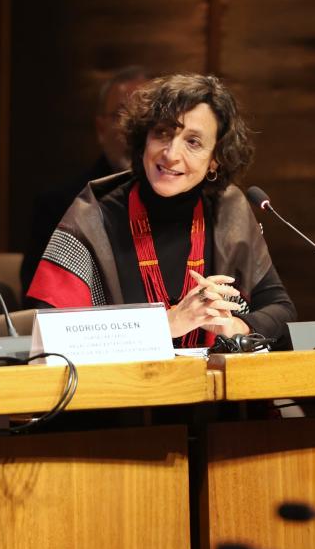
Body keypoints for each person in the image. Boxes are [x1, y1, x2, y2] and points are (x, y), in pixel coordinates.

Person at [26, 73, 296, 346]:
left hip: (211, 384)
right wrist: (166, 324)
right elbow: (50, 333)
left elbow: (282, 312)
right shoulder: (91, 216)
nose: (171, 154)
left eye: (193, 142)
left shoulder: (229, 211)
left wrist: (237, 326)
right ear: (144, 140)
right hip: (119, 386)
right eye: (162, 133)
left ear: (215, 159)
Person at [20, 66, 151, 305]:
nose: (134, 130)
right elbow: (38, 305)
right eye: (122, 115)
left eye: (145, 117)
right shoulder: (61, 204)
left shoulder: (187, 205)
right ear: (101, 129)